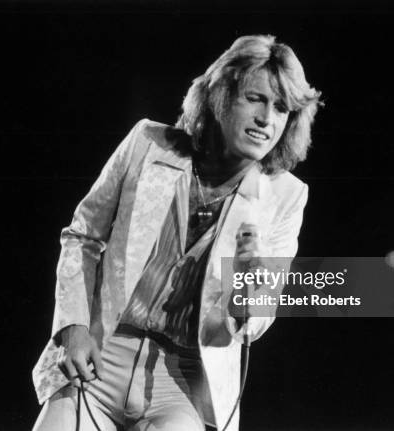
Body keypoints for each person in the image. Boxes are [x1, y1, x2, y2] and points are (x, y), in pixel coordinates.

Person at [32, 34, 322, 431]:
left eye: (282, 109)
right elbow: (82, 237)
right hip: (101, 355)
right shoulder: (147, 144)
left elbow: (255, 321)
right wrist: (73, 328)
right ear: (221, 94)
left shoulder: (285, 195)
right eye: (255, 98)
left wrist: (250, 281)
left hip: (184, 384)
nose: (266, 119)